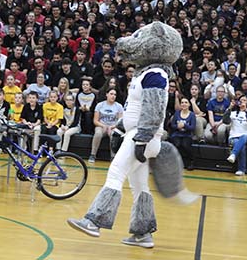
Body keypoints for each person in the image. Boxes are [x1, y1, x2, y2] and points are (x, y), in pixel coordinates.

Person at [68, 22, 198, 249]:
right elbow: (133, 108)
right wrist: (119, 128)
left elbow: (155, 109)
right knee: (139, 186)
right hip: (140, 135)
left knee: (116, 172)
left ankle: (94, 220)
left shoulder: (156, 74)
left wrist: (142, 138)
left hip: (143, 136)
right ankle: (143, 233)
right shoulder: (145, 73)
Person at [88, 87, 123, 163]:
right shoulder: (100, 105)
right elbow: (95, 121)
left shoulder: (119, 106)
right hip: (101, 125)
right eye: (111, 94)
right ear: (107, 94)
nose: (113, 96)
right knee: (98, 133)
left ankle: (113, 157)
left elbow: (120, 122)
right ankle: (93, 154)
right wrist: (103, 126)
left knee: (114, 134)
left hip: (113, 126)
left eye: (115, 94)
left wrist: (112, 127)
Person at [223, 95, 247, 176]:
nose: (243, 102)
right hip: (233, 138)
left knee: (243, 137)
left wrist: (246, 111)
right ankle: (241, 170)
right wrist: (230, 108)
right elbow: (225, 121)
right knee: (241, 145)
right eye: (241, 100)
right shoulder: (233, 113)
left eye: (245, 100)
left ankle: (233, 154)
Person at [169, 97, 196, 170]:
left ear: (189, 104)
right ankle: (175, 163)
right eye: (182, 102)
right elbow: (172, 125)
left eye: (186, 102)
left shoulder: (192, 115)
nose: (184, 104)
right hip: (177, 134)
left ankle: (191, 161)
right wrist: (177, 126)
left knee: (185, 145)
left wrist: (184, 125)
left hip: (187, 135)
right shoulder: (177, 113)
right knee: (176, 144)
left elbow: (192, 127)